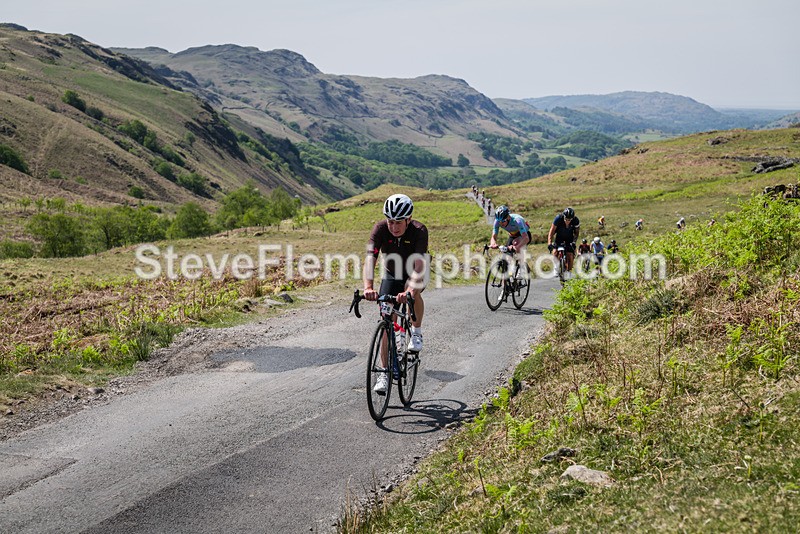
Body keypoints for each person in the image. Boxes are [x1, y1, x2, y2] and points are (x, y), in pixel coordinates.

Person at [363, 194, 429, 393]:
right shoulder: (380, 229)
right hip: (392, 274)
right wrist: (368, 287)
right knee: (386, 319)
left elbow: (418, 266)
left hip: (415, 272)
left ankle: (416, 332)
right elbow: (370, 259)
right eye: (390, 221)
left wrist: (409, 290)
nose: (394, 227)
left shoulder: (419, 231)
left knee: (414, 293)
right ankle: (384, 372)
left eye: (398, 222)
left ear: (408, 220)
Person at [548, 207, 581, 271]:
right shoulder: (558, 218)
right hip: (559, 237)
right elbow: (551, 232)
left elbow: (576, 233)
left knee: (570, 255)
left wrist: (574, 242)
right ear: (563, 216)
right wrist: (549, 243)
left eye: (569, 220)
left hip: (569, 238)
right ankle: (556, 267)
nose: (567, 221)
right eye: (566, 219)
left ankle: (569, 271)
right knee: (555, 252)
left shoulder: (576, 220)